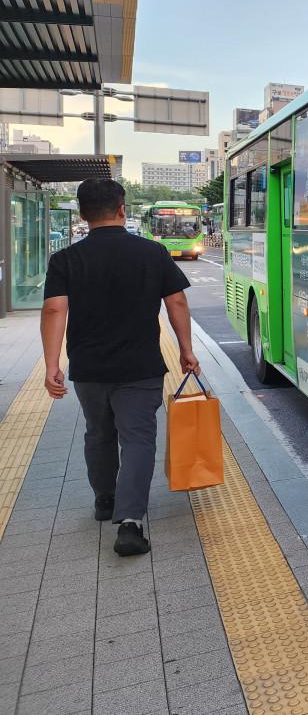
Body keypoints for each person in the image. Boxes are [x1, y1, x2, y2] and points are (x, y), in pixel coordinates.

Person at [40, 178, 199, 557]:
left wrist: (51, 365)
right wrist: (185, 349)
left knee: (98, 433)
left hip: (89, 368)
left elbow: (54, 309)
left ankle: (105, 501)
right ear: (122, 208)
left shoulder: (66, 259)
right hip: (140, 366)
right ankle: (129, 523)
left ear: (82, 213)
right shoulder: (152, 252)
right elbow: (175, 302)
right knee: (139, 438)